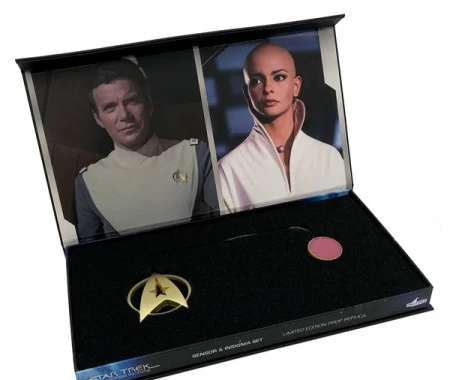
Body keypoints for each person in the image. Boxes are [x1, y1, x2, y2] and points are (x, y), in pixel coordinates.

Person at [75, 58, 219, 242]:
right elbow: (91, 253)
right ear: (98, 118)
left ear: (149, 103)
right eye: (110, 108)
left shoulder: (195, 154)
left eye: (132, 101)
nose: (124, 115)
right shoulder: (88, 183)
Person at [218, 43, 347, 212]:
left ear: (296, 86)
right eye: (256, 81)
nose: (268, 89)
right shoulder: (228, 169)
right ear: (246, 92)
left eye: (279, 77)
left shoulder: (329, 157)